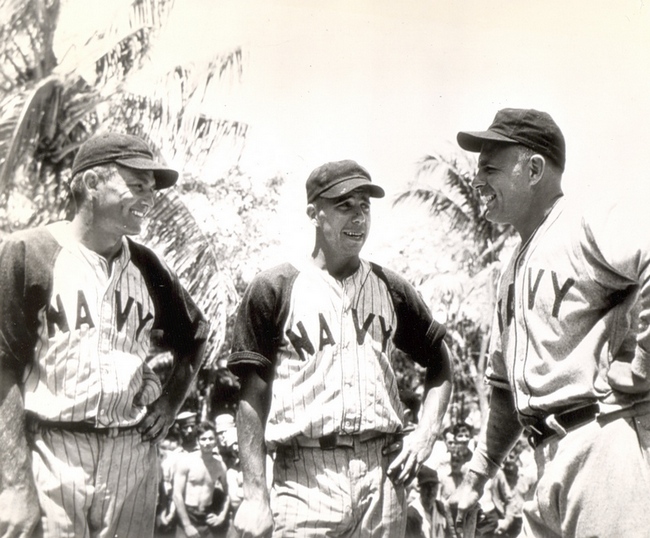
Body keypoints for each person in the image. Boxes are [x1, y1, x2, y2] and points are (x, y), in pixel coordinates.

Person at [449, 108, 650, 537]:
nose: (478, 181)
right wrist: (477, 475)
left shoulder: (583, 220)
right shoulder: (510, 270)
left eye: (490, 168)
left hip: (601, 445)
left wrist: (644, 364)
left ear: (534, 168)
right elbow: (504, 391)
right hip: (545, 459)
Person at [228, 159, 453, 537]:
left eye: (365, 206)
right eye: (344, 206)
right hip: (306, 474)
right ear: (314, 213)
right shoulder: (276, 286)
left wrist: (426, 433)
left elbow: (441, 363)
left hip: (382, 470)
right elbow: (252, 399)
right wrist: (255, 496)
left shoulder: (390, 287)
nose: (358, 218)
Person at [0, 132, 209, 537]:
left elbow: (197, 336)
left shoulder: (148, 266)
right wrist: (13, 481)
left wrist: (169, 403)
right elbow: (1, 368)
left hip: (131, 456)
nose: (149, 199)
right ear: (92, 184)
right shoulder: (30, 253)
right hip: (53, 450)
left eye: (152, 189)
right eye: (137, 186)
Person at [172, 421, 230, 538]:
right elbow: (176, 495)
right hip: (186, 516)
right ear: (198, 440)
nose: (207, 443)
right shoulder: (186, 462)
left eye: (210, 439)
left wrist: (221, 516)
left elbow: (227, 493)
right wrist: (187, 525)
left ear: (215, 441)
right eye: (203, 439)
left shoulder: (220, 466)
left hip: (206, 517)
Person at [406, 467, 455, 538]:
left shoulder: (440, 509)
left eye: (434, 486)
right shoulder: (411, 514)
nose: (431, 491)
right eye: (427, 486)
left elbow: (449, 535)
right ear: (420, 488)